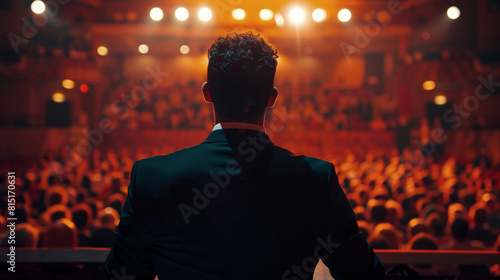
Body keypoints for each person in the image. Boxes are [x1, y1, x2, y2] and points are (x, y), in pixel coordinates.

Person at [105, 30, 384, 280]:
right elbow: (362, 273)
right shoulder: (316, 179)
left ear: (207, 94)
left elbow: (123, 274)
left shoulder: (152, 177)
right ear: (272, 98)